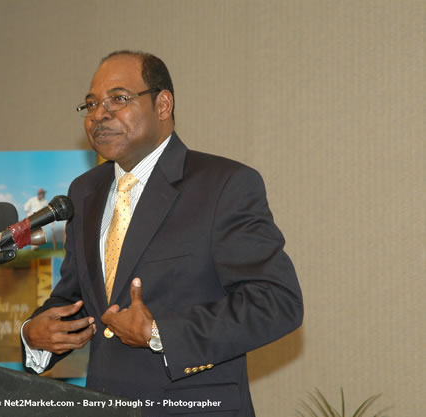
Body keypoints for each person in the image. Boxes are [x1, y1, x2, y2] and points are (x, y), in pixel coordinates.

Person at [21, 50, 303, 417]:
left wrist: (160, 333)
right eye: (91, 104)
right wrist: (35, 335)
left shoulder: (223, 185)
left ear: (163, 104)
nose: (99, 114)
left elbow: (276, 302)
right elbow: (73, 299)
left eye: (118, 99)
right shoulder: (84, 192)